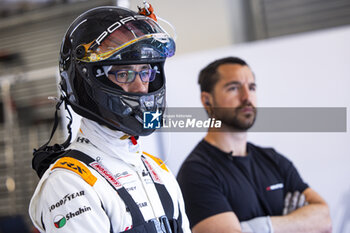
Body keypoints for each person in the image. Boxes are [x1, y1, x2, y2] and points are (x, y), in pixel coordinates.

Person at [29, 5, 190, 233]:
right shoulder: (68, 183)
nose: (141, 87)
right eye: (124, 73)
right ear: (89, 81)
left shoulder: (158, 171)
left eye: (145, 71)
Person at [177, 57, 332, 233]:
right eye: (234, 88)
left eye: (251, 88)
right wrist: (297, 224)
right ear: (207, 100)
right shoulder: (197, 172)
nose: (246, 97)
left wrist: (255, 228)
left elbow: (324, 219)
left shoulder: (273, 159)